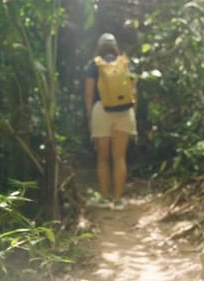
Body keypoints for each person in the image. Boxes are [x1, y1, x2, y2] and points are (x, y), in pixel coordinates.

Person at [84, 33, 137, 209]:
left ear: (99, 47)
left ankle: (105, 197)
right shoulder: (125, 63)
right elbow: (133, 91)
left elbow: (89, 91)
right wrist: (132, 113)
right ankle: (118, 198)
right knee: (120, 157)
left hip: (102, 110)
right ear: (115, 47)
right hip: (125, 111)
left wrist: (89, 114)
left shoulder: (95, 64)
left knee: (102, 158)